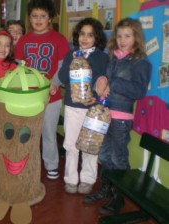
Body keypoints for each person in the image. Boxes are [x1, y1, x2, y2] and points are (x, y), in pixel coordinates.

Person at [83, 18, 152, 215]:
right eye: (119, 36)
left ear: (136, 38)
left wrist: (114, 84)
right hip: (105, 115)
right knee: (104, 155)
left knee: (118, 157)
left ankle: (118, 197)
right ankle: (107, 189)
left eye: (127, 36)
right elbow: (106, 81)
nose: (122, 40)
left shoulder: (141, 63)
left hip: (121, 119)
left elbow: (138, 91)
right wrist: (102, 80)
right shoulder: (113, 59)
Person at [51, 18, 109, 193]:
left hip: (93, 110)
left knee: (90, 145)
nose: (85, 38)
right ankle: (70, 178)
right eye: (82, 34)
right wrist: (53, 85)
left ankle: (88, 178)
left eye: (90, 35)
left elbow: (105, 81)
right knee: (71, 144)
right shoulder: (71, 54)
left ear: (97, 38)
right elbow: (62, 75)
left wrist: (98, 93)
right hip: (73, 106)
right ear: (77, 36)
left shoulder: (102, 57)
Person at [14, 0, 69, 179]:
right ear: (29, 19)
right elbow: (18, 67)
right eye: (34, 16)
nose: (38, 20)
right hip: (29, 96)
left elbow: (63, 66)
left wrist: (54, 83)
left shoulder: (59, 39)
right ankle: (28, 163)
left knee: (48, 132)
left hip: (51, 97)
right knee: (28, 131)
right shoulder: (24, 40)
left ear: (50, 18)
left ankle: (51, 164)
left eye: (43, 16)